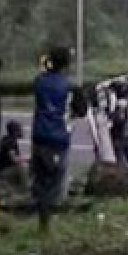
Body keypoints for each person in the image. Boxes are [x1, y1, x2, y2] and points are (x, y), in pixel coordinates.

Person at [31, 47, 79, 233]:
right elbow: (81, 110)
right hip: (59, 138)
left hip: (39, 136)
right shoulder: (69, 86)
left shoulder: (39, 82)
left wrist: (45, 65)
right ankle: (47, 223)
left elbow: (42, 74)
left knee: (40, 178)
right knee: (54, 181)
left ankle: (43, 219)